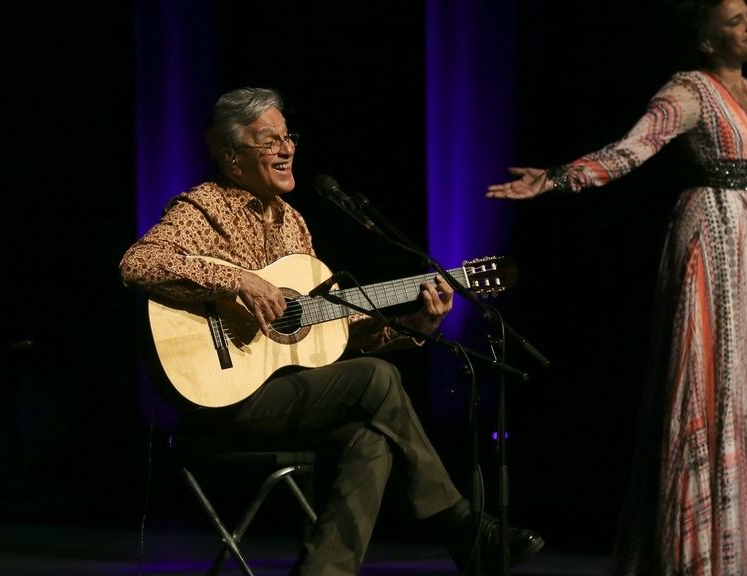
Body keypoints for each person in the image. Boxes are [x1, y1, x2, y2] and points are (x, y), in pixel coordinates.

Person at [120, 86, 544, 576]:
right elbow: (139, 263)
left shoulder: (294, 225)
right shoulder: (204, 208)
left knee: (372, 441)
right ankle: (461, 525)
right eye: (269, 140)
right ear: (232, 157)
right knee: (377, 379)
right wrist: (237, 280)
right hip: (221, 400)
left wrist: (416, 325)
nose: (287, 148)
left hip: (288, 396)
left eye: (288, 137)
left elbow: (335, 332)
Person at [486, 0, 747, 575]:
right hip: (710, 234)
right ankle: (701, 555)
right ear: (707, 40)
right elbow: (630, 150)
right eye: (735, 20)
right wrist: (558, 178)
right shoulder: (689, 90)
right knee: (713, 374)